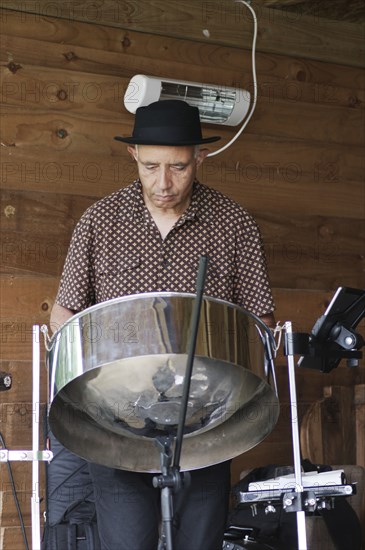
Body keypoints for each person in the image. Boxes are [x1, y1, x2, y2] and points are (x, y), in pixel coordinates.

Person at [49, 99, 275, 550]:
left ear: (200, 157)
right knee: (126, 542)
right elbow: (64, 316)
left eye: (178, 167)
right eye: (151, 166)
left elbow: (260, 322)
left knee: (199, 543)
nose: (164, 183)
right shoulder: (100, 222)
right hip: (119, 419)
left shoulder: (233, 224)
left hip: (203, 416)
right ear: (133, 155)